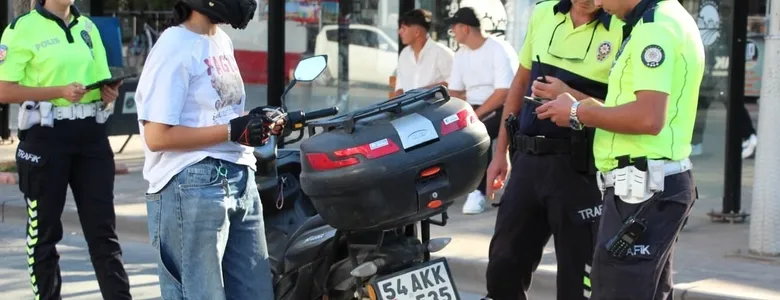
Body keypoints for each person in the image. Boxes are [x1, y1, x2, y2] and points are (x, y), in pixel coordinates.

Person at [535, 0, 705, 298]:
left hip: (642, 189)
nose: (598, 3)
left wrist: (577, 112)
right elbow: (635, 110)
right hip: (645, 187)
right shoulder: (657, 20)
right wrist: (577, 105)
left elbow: (648, 118)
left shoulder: (655, 27)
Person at [134, 0, 282, 299]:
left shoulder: (220, 41)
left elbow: (216, 114)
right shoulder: (174, 45)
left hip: (241, 178)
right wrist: (231, 130)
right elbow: (157, 136)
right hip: (192, 183)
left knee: (256, 293)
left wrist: (255, 121)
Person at [482, 0, 624, 298]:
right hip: (527, 162)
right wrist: (500, 154)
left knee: (578, 279)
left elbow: (625, 110)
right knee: (502, 267)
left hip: (581, 168)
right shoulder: (543, 12)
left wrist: (569, 95)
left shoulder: (623, 25)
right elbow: (519, 85)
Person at [0, 0, 132, 299]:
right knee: (44, 236)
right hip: (46, 139)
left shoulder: (88, 28)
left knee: (104, 235)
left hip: (92, 138)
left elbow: (98, 84)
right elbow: (4, 89)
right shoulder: (22, 29)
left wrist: (108, 93)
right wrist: (58, 92)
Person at [444, 7, 518, 214]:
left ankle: (478, 192)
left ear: (465, 28)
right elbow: (455, 91)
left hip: (502, 108)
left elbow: (504, 92)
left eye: (454, 27)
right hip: (473, 109)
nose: (452, 31)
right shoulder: (461, 54)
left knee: (479, 133)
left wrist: (476, 116)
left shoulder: (498, 49)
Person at [393, 9, 454, 97]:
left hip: (436, 109)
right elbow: (399, 87)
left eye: (403, 28)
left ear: (417, 32)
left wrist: (424, 92)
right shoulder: (404, 54)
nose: (399, 32)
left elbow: (455, 84)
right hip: (408, 109)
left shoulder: (441, 52)